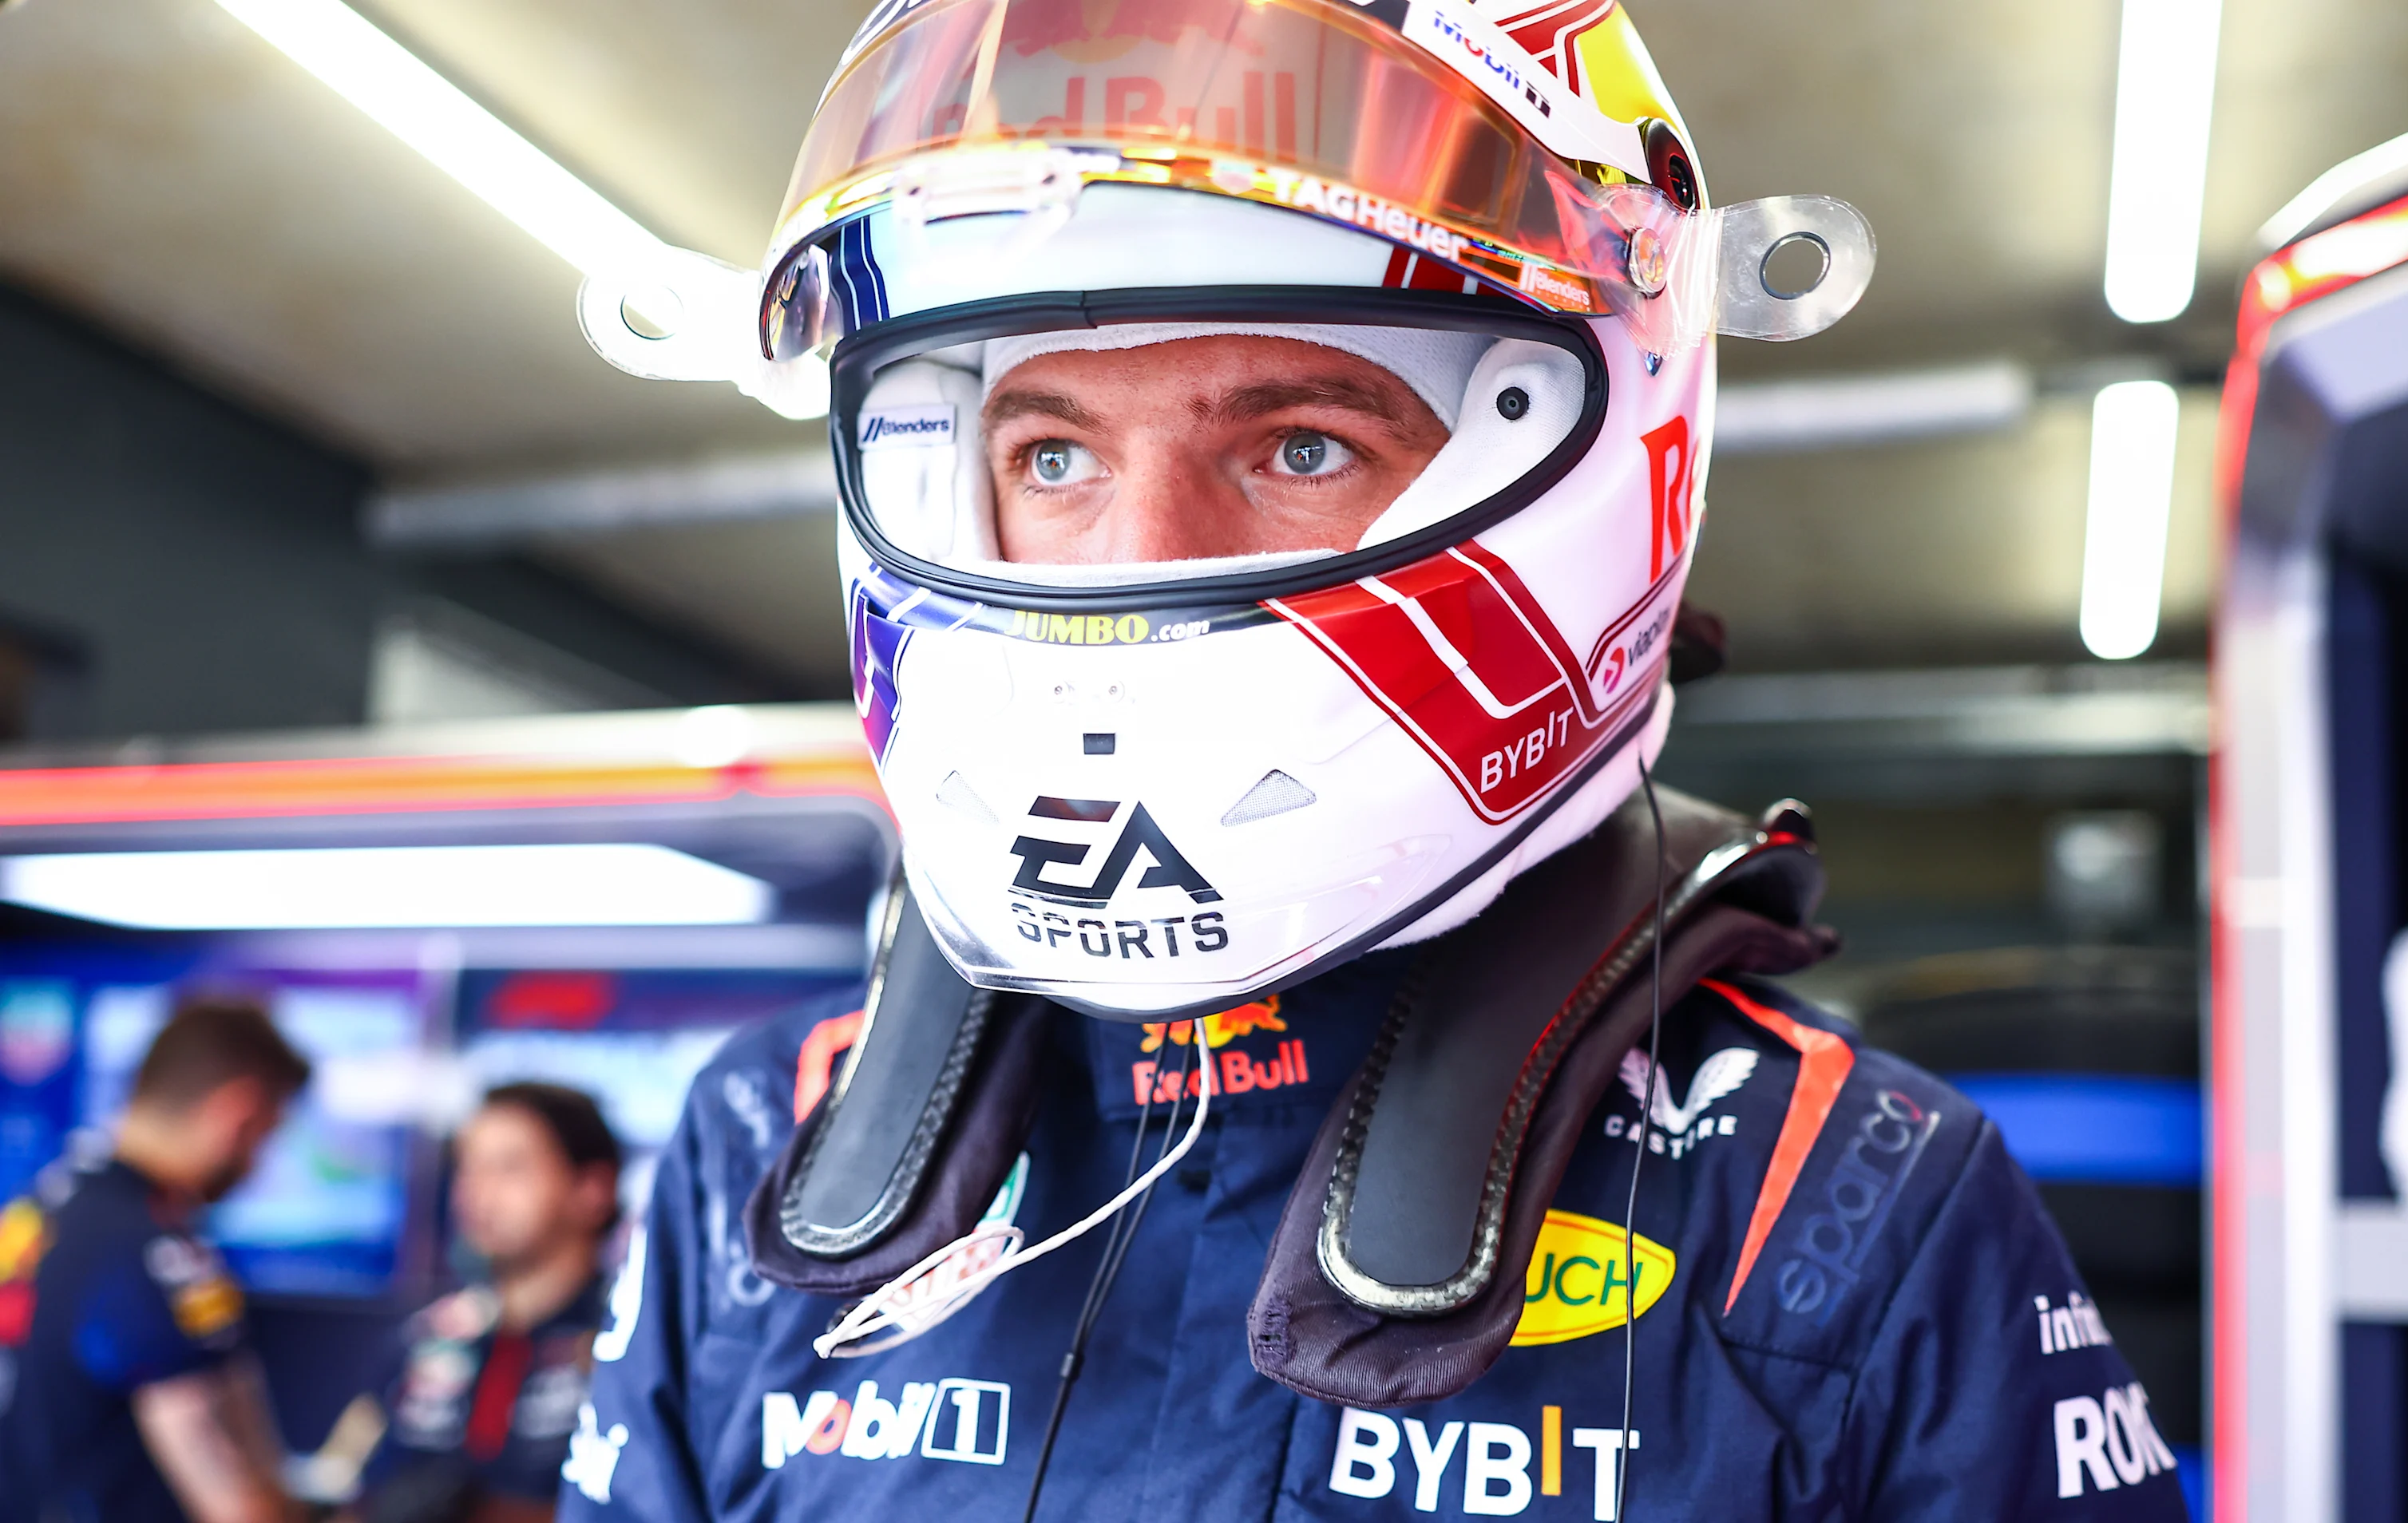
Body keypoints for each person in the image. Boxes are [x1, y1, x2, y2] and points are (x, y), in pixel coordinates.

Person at [563, 0, 2191, 1518]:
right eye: (1051, 453)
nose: (1132, 560)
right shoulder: (761, 1147)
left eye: (1300, 446)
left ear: (1600, 468)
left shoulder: (1841, 1203)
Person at [0, 993, 311, 1523]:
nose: (257, 1167)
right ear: (238, 1113)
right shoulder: (159, 1253)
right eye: (266, 1137)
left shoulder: (32, 1212)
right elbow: (230, 1496)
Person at [348, 1083, 623, 1523]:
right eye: (468, 1166)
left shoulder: (634, 1343)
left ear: (593, 1188)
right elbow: (349, 1494)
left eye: (509, 1167)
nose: (477, 1191)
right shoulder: (422, 1339)